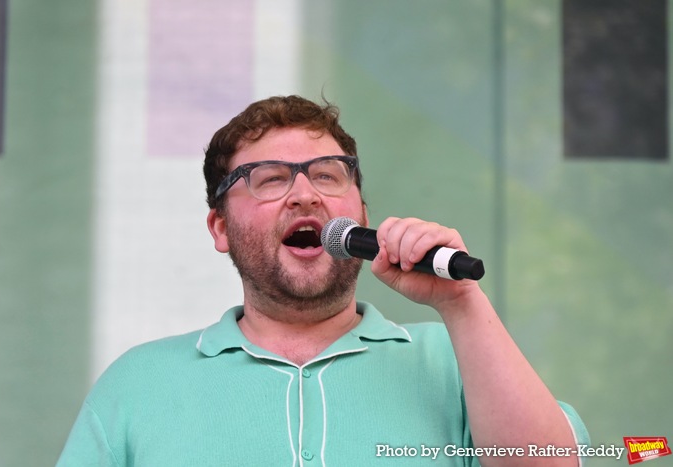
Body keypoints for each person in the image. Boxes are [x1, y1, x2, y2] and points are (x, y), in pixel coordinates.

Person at [57, 95, 589, 466]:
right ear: (220, 228)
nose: (305, 194)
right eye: (268, 179)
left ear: (359, 211)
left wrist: (462, 304)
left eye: (329, 174)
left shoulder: (459, 360)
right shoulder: (138, 386)